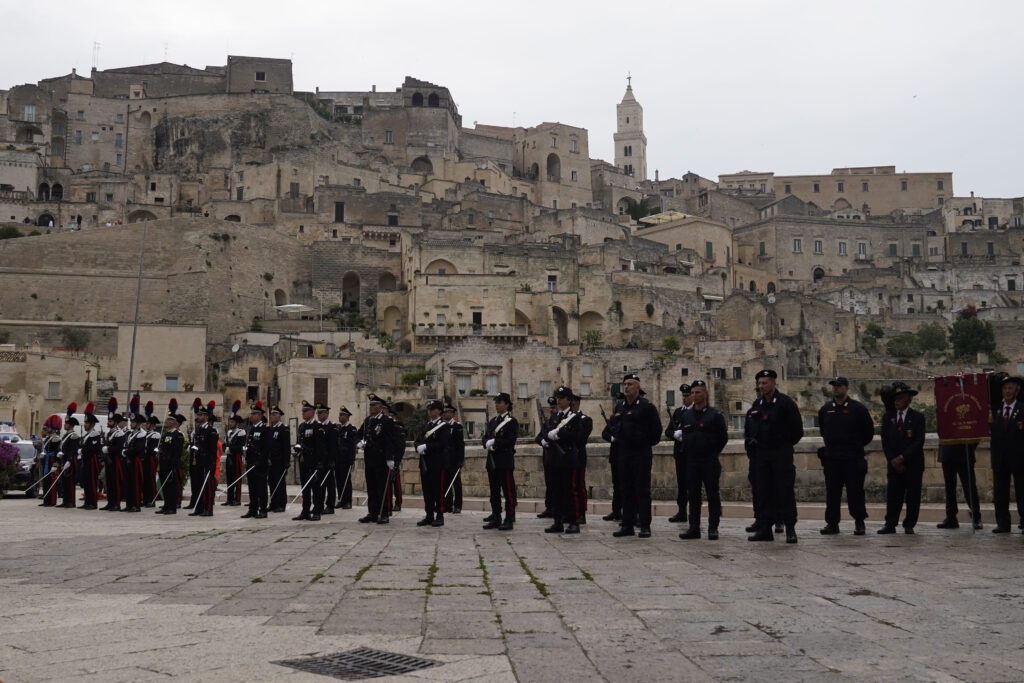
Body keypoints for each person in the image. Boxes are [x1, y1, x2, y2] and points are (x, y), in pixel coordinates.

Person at [747, 370, 803, 543]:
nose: (762, 386)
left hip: (781, 455)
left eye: (765, 383)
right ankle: (765, 529)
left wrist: (783, 445)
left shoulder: (786, 404)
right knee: (764, 493)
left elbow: (797, 431)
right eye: (760, 383)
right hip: (762, 457)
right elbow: (750, 429)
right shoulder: (757, 405)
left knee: (785, 492)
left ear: (773, 383)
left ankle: (790, 529)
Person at [817, 376, 874, 536]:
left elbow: (868, 433)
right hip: (832, 458)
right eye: (834, 386)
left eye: (839, 386)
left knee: (855, 491)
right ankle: (832, 524)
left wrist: (854, 445)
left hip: (852, 458)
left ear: (846, 388)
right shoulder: (826, 409)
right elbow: (823, 430)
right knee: (832, 493)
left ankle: (859, 522)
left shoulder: (858, 409)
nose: (836, 388)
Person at [609, 373, 663, 538]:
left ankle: (645, 525)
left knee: (642, 490)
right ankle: (627, 525)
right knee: (626, 490)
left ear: (638, 387)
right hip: (623, 453)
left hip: (641, 454)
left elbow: (656, 432)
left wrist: (642, 443)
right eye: (625, 384)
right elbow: (613, 426)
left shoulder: (646, 407)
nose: (626, 387)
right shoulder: (620, 407)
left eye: (630, 384)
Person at [677, 380, 728, 540]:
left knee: (712, 494)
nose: (694, 395)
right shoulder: (687, 416)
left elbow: (723, 438)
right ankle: (694, 527)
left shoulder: (714, 415)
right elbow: (685, 436)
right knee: (693, 495)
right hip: (692, 461)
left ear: (705, 393)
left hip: (709, 460)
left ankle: (713, 527)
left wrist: (712, 451)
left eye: (697, 392)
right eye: (692, 393)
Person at [878, 382, 925, 534]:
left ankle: (909, 524)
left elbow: (918, 442)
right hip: (893, 464)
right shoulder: (888, 417)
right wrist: (893, 459)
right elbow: (885, 441)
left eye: (901, 398)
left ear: (909, 400)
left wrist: (902, 458)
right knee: (893, 495)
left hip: (912, 464)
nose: (897, 401)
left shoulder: (917, 417)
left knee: (912, 496)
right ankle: (890, 523)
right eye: (895, 398)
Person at [537, 386, 582, 534]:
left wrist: (557, 435)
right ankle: (557, 521)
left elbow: (575, 435)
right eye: (558, 398)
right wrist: (548, 437)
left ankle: (574, 521)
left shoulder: (575, 416)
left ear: (569, 400)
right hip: (554, 459)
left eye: (562, 398)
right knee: (556, 491)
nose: (559, 400)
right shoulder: (555, 416)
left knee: (570, 491)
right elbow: (545, 432)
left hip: (568, 458)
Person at [989, 375, 1024, 534]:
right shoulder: (995, 409)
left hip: (1019, 457)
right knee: (1000, 493)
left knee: (1022, 491)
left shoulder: (1022, 409)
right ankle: (1003, 523)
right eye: (1005, 388)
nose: (1007, 391)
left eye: (1010, 388)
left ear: (1017, 391)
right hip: (1000, 458)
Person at [358, 394, 399, 524]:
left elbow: (390, 441)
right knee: (371, 487)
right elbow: (358, 435)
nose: (371, 407)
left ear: (380, 407)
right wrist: (359, 442)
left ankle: (385, 512)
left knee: (383, 487)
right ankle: (373, 512)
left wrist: (390, 458)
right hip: (369, 458)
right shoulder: (368, 421)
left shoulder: (386, 421)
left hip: (381, 459)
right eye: (370, 405)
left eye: (374, 405)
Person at [482, 393, 518, 531]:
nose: (497, 405)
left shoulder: (511, 421)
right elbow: (485, 437)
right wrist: (487, 443)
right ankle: (496, 516)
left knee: (508, 491)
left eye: (500, 402)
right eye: (496, 402)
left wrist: (495, 442)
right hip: (492, 461)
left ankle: (509, 518)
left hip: (504, 460)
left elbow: (510, 440)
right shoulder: (493, 421)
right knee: (494, 491)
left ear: (507, 404)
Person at [415, 399, 449, 527]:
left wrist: (427, 447)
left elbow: (442, 444)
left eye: (433, 409)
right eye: (429, 409)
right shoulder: (426, 426)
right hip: (425, 463)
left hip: (437, 463)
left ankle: (439, 515)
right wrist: (418, 446)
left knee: (438, 491)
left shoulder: (444, 426)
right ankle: (429, 515)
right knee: (427, 491)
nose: (430, 411)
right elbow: (418, 440)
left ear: (439, 411)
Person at [936, 443, 982, 530]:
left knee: (969, 486)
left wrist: (970, 447)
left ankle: (976, 517)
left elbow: (975, 434)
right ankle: (951, 517)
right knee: (949, 487)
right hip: (947, 452)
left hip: (964, 451)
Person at [665, 383, 693, 524]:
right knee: (681, 485)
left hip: (692, 454)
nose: (685, 398)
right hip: (680, 455)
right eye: (683, 396)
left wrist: (685, 435)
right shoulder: (678, 412)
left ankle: (694, 514)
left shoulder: (696, 412)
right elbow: (668, 431)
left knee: (693, 486)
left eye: (687, 396)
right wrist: (675, 435)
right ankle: (682, 512)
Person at [292, 401, 321, 521]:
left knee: (316, 487)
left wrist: (320, 462)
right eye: (302, 411)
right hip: (303, 460)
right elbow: (300, 441)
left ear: (312, 412)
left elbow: (320, 446)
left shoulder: (317, 426)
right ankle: (305, 511)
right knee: (305, 487)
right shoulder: (302, 426)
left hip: (313, 461)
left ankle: (317, 511)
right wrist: (298, 448)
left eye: (305, 411)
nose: (303, 413)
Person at [188, 403, 218, 517]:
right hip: (198, 462)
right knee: (198, 485)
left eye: (200, 415)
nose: (198, 417)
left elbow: (213, 450)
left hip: (207, 462)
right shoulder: (198, 430)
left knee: (207, 487)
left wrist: (212, 463)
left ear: (206, 417)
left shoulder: (211, 431)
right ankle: (199, 507)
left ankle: (208, 508)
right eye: (198, 415)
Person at [241, 401, 269, 519]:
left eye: (254, 414)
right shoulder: (251, 429)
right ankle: (252, 509)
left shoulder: (264, 429)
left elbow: (266, 449)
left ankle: (263, 509)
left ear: (260, 416)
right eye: (251, 414)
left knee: (261, 488)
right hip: (251, 462)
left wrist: (260, 461)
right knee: (252, 487)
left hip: (260, 463)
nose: (251, 416)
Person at [600, 393, 625, 522]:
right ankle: (616, 511)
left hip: (626, 455)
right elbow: (604, 433)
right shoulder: (613, 419)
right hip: (615, 455)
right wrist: (612, 438)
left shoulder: (627, 417)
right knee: (617, 486)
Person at [570, 393, 593, 525]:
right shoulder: (565, 418)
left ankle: (581, 512)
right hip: (567, 457)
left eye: (573, 404)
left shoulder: (585, 419)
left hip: (578, 456)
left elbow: (581, 438)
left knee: (579, 486)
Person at [156, 412, 185, 515]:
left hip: (171, 464)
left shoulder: (177, 435)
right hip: (163, 464)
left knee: (171, 487)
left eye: (169, 420)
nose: (166, 422)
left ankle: (172, 507)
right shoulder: (166, 434)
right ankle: (166, 505)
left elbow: (177, 452)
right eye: (167, 420)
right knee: (165, 486)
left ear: (174, 423)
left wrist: (173, 465)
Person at [537, 396, 559, 520]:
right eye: (551, 408)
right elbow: (538, 437)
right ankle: (549, 507)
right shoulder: (549, 422)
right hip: (548, 458)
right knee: (549, 485)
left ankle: (556, 508)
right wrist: (543, 442)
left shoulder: (560, 421)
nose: (552, 410)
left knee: (557, 485)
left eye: (554, 407)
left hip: (557, 457)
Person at [266, 405, 290, 512]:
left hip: (279, 461)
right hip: (271, 461)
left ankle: (281, 504)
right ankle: (273, 503)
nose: (271, 416)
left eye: (274, 414)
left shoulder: (283, 429)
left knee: (280, 483)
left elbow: (286, 447)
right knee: (271, 482)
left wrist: (286, 462)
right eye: (271, 414)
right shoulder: (270, 429)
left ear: (279, 416)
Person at [442, 402, 465, 514]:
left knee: (456, 484)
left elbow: (460, 445)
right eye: (445, 412)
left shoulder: (457, 426)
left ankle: (458, 505)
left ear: (453, 414)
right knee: (446, 483)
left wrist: (461, 460)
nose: (446, 414)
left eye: (448, 412)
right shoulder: (442, 426)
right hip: (444, 460)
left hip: (454, 460)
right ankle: (448, 505)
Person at [79, 406, 103, 510]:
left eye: (87, 423)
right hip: (86, 461)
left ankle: (93, 503)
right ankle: (87, 501)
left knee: (92, 482)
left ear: (92, 424)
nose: (85, 425)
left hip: (92, 462)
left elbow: (93, 448)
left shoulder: (95, 435)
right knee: (86, 482)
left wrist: (82, 451)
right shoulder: (87, 435)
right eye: (85, 423)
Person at [123, 413, 147, 513]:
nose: (131, 424)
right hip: (129, 460)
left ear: (138, 424)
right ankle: (129, 504)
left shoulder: (142, 434)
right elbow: (126, 445)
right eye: (131, 422)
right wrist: (124, 450)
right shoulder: (130, 434)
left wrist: (126, 452)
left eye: (133, 422)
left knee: (135, 484)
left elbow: (138, 449)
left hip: (136, 461)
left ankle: (136, 505)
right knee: (128, 483)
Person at [222, 408, 246, 506]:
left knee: (237, 479)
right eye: (230, 421)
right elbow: (224, 444)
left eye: (232, 422)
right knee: (229, 478)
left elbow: (240, 447)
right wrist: (225, 449)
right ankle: (230, 499)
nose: (230, 423)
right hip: (229, 457)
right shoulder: (228, 433)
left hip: (236, 458)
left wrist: (230, 449)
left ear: (236, 423)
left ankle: (237, 499)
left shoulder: (241, 432)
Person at [316, 404, 338, 514]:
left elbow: (333, 446)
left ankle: (330, 506)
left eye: (321, 413)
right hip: (319, 461)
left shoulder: (332, 427)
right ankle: (319, 505)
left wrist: (331, 461)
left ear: (326, 413)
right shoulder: (318, 427)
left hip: (328, 460)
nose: (318, 415)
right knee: (319, 484)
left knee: (330, 484)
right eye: (318, 413)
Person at [335, 406, 358, 510]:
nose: (340, 417)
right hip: (338, 459)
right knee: (339, 480)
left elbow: (352, 445)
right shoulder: (339, 428)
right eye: (339, 415)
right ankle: (341, 499)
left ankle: (348, 501)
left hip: (346, 459)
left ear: (347, 416)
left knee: (346, 481)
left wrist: (351, 459)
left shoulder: (351, 429)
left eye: (342, 415)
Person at [103, 412, 127, 511]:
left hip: (116, 460)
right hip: (109, 460)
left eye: (111, 421)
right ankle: (110, 502)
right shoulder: (110, 433)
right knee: (109, 482)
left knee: (116, 482)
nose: (108, 422)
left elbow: (119, 447)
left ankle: (116, 503)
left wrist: (108, 449)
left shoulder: (119, 433)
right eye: (108, 420)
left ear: (115, 422)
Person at [143, 410, 161, 507]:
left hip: (151, 459)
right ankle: (145, 499)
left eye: (148, 423)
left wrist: (144, 447)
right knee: (144, 480)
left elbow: (153, 448)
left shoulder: (155, 435)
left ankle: (151, 499)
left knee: (150, 480)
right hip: (144, 459)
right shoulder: (145, 434)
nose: (147, 425)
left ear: (153, 425)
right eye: (146, 423)